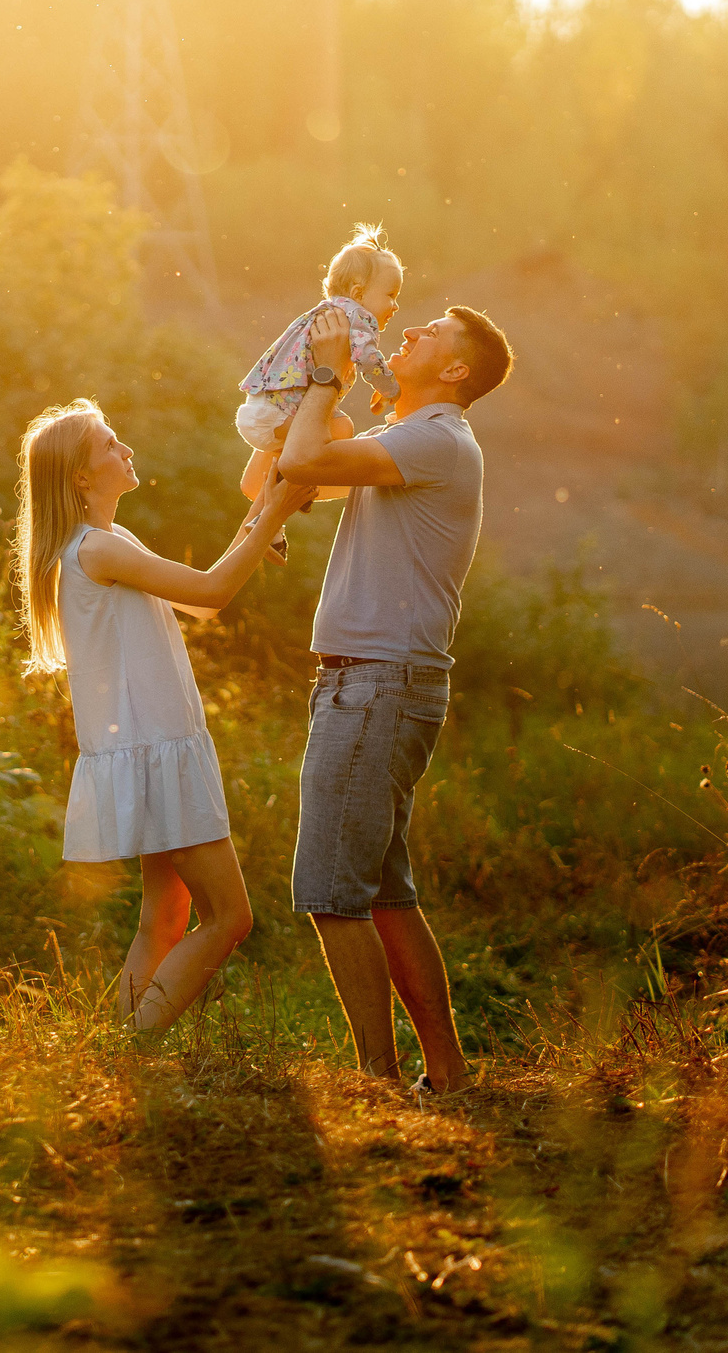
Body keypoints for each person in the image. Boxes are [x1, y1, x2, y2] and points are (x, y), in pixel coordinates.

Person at [274, 301, 514, 1092]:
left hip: (375, 683)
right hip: (381, 681)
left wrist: (326, 374)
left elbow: (304, 463)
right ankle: (444, 1074)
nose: (408, 332)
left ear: (454, 371)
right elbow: (287, 467)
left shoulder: (434, 440)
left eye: (432, 335)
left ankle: (375, 1082)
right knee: (381, 890)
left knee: (332, 891)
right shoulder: (413, 441)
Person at [15, 399, 312, 1031]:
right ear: (81, 478)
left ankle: (121, 1052)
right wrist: (277, 511)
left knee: (166, 918)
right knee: (231, 918)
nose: (126, 451)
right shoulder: (95, 549)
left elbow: (201, 602)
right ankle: (134, 1045)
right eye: (111, 445)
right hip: (156, 747)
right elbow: (214, 592)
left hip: (153, 746)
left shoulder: (109, 541)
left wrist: (261, 515)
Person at [233, 224, 407, 559]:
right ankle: (268, 518)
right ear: (358, 293)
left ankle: (269, 524)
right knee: (341, 429)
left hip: (263, 408)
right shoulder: (355, 318)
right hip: (277, 413)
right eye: (391, 295)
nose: (396, 306)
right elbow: (369, 358)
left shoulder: (323, 312)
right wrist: (391, 388)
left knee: (288, 459)